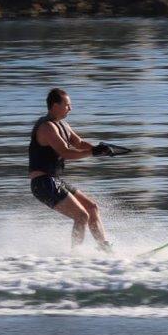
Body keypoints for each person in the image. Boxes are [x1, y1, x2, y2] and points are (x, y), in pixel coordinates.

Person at [29, 88, 115, 252]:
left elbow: (80, 143)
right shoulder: (47, 127)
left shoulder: (63, 124)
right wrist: (92, 153)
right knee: (81, 216)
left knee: (92, 208)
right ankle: (76, 256)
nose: (71, 108)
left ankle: (105, 249)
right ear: (55, 106)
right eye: (67, 105)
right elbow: (65, 152)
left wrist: (99, 150)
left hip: (53, 181)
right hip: (42, 183)